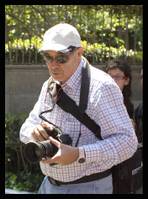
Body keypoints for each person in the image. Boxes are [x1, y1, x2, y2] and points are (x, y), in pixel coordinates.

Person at [19, 23, 138, 194]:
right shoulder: (49, 85)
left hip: (90, 187)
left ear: (79, 53)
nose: (53, 65)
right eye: (47, 57)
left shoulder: (102, 87)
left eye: (61, 58)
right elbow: (26, 127)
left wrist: (79, 154)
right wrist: (35, 132)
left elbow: (127, 142)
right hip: (48, 185)